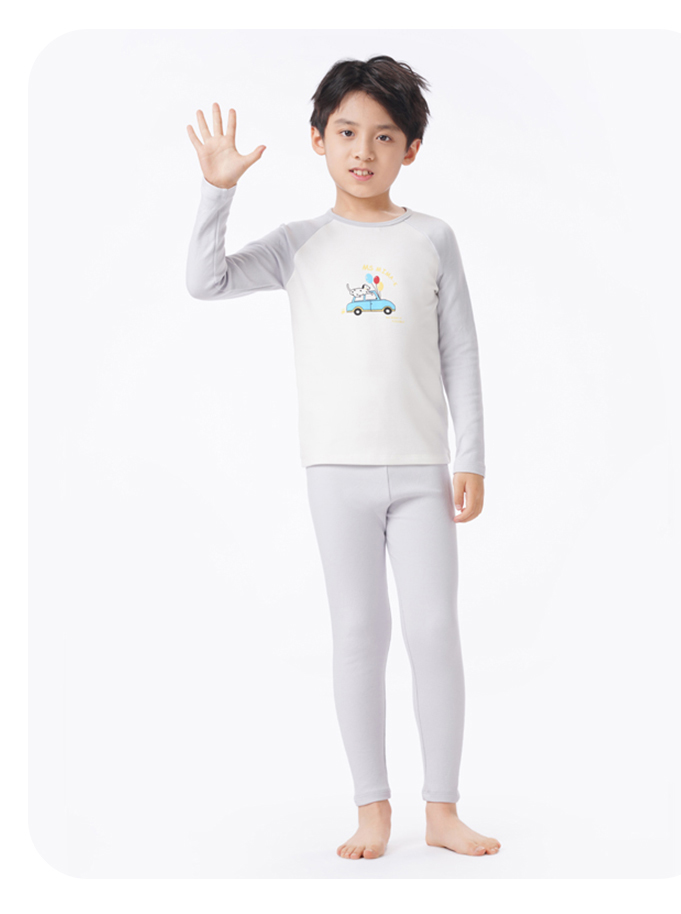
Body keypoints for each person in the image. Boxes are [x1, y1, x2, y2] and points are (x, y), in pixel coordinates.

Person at [185, 55, 500, 860]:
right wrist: (218, 191)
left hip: (423, 472)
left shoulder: (432, 238)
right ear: (318, 139)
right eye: (348, 132)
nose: (364, 150)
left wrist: (471, 455)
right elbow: (206, 282)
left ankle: (442, 809)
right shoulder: (298, 244)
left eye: (385, 136)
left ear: (412, 149)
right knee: (359, 631)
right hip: (335, 471)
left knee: (434, 631)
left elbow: (461, 350)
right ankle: (372, 808)